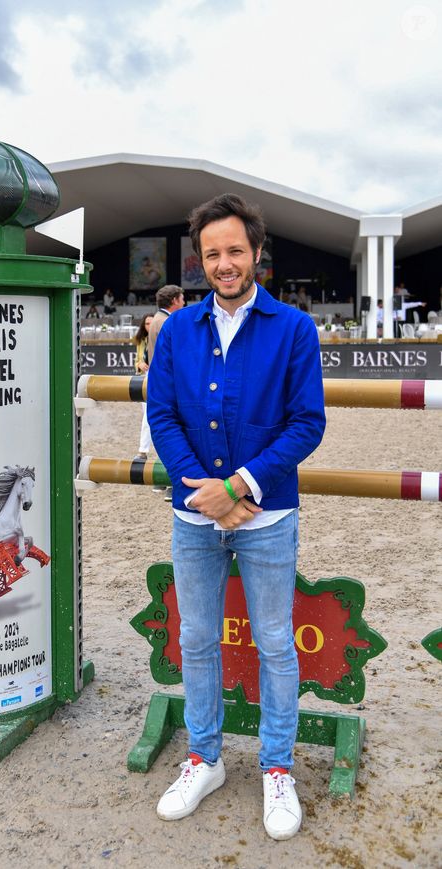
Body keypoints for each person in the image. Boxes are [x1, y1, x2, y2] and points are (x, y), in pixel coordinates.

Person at [147, 193, 325, 841]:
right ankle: (205, 756)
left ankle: (277, 764)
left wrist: (241, 483)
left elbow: (309, 423)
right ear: (201, 260)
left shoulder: (294, 329)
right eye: (213, 253)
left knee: (275, 640)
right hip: (195, 514)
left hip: (267, 512)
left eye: (235, 251)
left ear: (256, 254)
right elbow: (161, 416)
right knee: (196, 636)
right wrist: (206, 492)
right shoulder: (177, 332)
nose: (225, 263)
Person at [147, 285, 185, 501]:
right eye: (182, 299)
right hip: (168, 383)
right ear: (174, 301)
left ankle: (162, 482)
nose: (184, 303)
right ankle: (168, 483)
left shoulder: (156, 319)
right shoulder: (168, 322)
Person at [133, 313, 155, 461]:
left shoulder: (160, 337)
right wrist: (139, 364)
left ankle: (143, 450)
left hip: (158, 378)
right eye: (147, 323)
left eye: (151, 323)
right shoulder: (141, 341)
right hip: (145, 378)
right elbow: (137, 361)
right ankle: (143, 450)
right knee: (147, 415)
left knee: (149, 416)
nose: (149, 326)